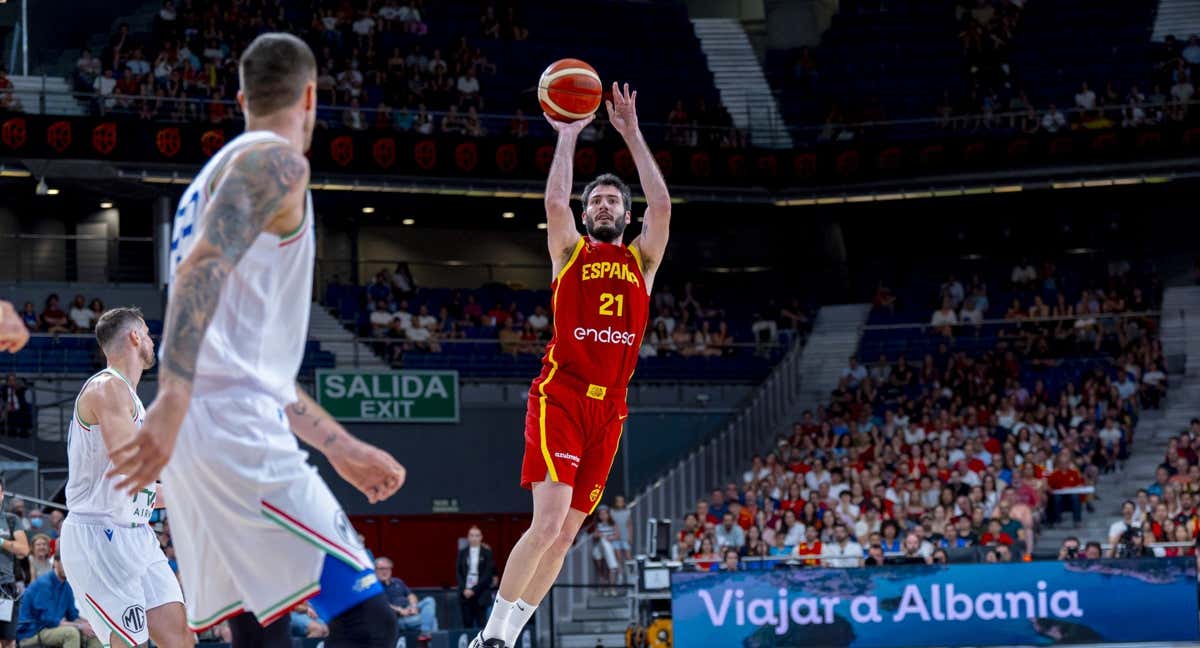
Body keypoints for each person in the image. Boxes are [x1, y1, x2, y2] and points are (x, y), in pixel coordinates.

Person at [105, 33, 405, 648]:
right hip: (229, 428)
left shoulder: (206, 183)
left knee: (261, 626)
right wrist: (173, 397)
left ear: (242, 96)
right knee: (367, 619)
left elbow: (247, 361)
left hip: (205, 436)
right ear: (312, 96)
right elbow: (201, 270)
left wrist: (338, 444)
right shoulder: (278, 162)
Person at [472, 81, 671, 648]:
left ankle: (505, 637)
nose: (601, 205)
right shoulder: (570, 253)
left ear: (626, 218)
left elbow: (662, 205)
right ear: (586, 218)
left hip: (610, 410)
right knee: (548, 521)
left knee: (565, 538)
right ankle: (489, 637)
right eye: (595, 202)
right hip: (561, 394)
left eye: (611, 201)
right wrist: (567, 134)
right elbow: (554, 202)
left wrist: (631, 133)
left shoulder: (643, 261)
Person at [58, 308, 190, 648]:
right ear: (134, 337)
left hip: (137, 534)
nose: (150, 340)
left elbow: (140, 486)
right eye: (146, 333)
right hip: (99, 535)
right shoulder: (107, 388)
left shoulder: (132, 400)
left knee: (179, 638)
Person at [16, 551, 102, 648]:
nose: (69, 567)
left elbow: (72, 615)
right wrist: (80, 626)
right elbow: (48, 620)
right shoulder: (43, 584)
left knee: (95, 632)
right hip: (32, 632)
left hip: (49, 628)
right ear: (56, 563)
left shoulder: (67, 585)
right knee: (71, 633)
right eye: (65, 563)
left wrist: (89, 624)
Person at [0, 477, 29, 646]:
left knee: (8, 641)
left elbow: (24, 549)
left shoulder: (11, 520)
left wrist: (2, 542)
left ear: (2, 495)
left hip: (6, 588)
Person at [375, 557, 437, 634]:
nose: (385, 571)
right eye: (381, 569)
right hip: (396, 618)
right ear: (375, 570)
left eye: (387, 568)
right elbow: (382, 604)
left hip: (410, 610)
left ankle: (425, 634)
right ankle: (425, 633)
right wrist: (400, 611)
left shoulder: (397, 581)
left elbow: (411, 595)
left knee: (429, 600)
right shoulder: (374, 586)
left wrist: (413, 606)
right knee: (432, 619)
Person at [456, 527, 495, 630]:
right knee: (467, 624)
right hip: (465, 594)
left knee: (482, 625)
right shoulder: (462, 552)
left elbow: (487, 574)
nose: (474, 538)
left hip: (481, 593)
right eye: (472, 535)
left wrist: (473, 590)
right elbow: (459, 572)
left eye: (477, 535)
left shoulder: (487, 553)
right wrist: (464, 589)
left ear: (481, 537)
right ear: (468, 537)